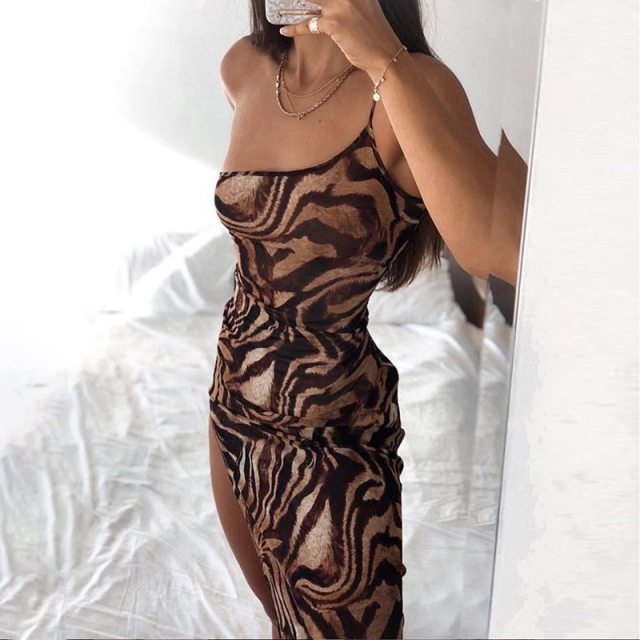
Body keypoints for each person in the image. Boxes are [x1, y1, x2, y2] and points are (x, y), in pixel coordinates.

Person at [207, 1, 520, 638]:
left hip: (333, 439)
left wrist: (383, 57)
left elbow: (501, 248)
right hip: (230, 406)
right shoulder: (244, 67)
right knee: (281, 621)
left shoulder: (413, 82)